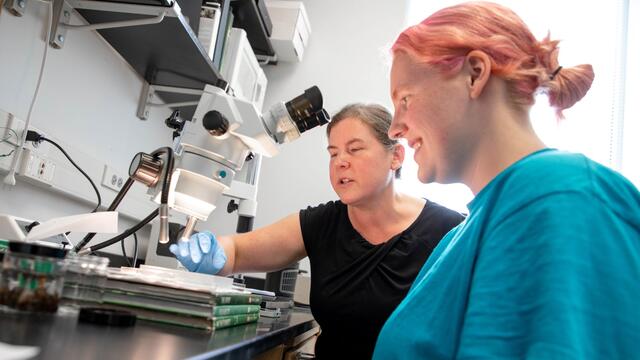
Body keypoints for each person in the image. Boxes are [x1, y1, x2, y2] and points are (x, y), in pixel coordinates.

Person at [374, 2, 640, 359]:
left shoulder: (563, 197)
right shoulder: (467, 232)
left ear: (474, 73)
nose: (394, 128)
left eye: (405, 98)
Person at [170, 103, 464, 359]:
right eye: (333, 153)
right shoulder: (321, 223)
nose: (341, 162)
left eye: (355, 149)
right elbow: (238, 250)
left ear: (396, 156)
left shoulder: (449, 230)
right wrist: (215, 252)